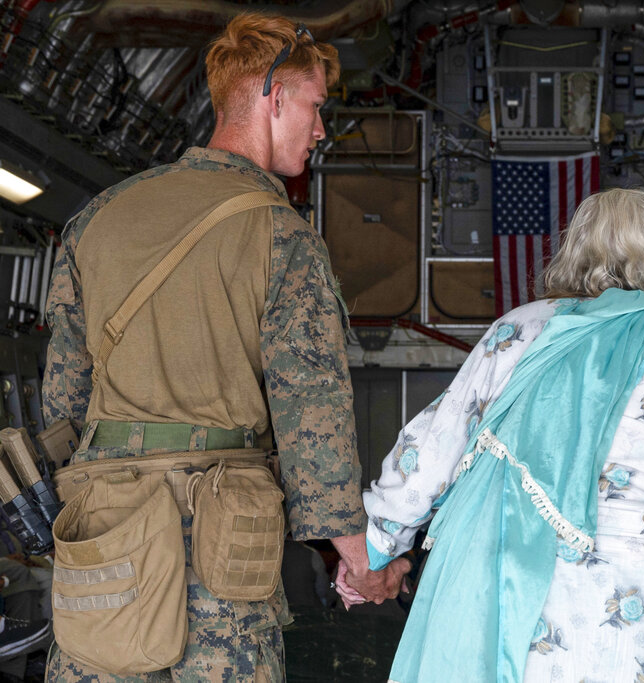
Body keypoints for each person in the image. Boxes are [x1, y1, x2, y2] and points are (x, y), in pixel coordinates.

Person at [41, 13, 407, 681]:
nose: (321, 129)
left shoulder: (96, 218)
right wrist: (361, 560)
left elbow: (63, 403)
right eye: (315, 107)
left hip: (105, 541)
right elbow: (312, 422)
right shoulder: (283, 239)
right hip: (219, 559)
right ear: (274, 99)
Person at [340, 188, 644, 682]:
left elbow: (432, 448)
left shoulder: (520, 332)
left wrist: (371, 551)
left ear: (575, 248)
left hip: (525, 589)